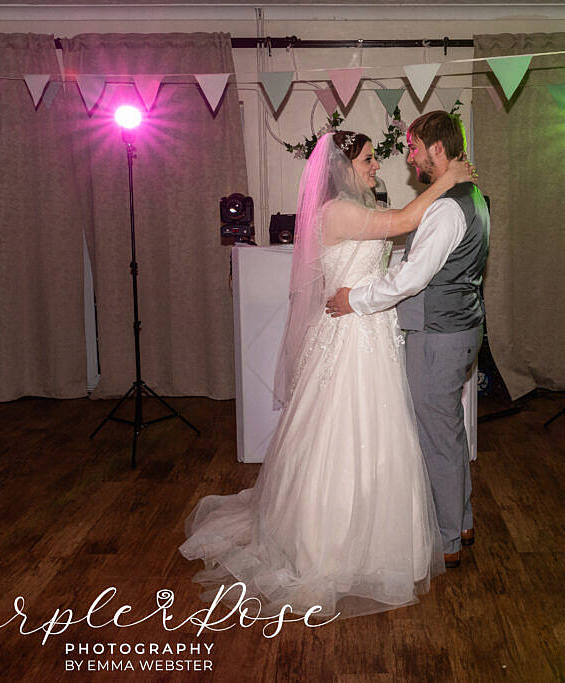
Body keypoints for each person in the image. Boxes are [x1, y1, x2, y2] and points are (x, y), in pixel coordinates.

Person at [179, 130, 474, 619]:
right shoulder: (337, 211)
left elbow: (391, 239)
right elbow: (402, 221)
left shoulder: (353, 208)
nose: (376, 166)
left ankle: (381, 531)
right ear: (342, 167)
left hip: (370, 329)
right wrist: (450, 181)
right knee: (343, 431)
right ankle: (331, 544)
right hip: (350, 335)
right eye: (367, 160)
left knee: (380, 434)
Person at [327, 111, 489, 570]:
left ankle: (446, 542)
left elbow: (412, 278)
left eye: (414, 148)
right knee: (449, 431)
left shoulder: (444, 207)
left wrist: (356, 298)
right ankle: (461, 520)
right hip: (460, 329)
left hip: (438, 335)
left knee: (436, 437)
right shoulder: (470, 195)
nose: (409, 157)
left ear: (438, 149)